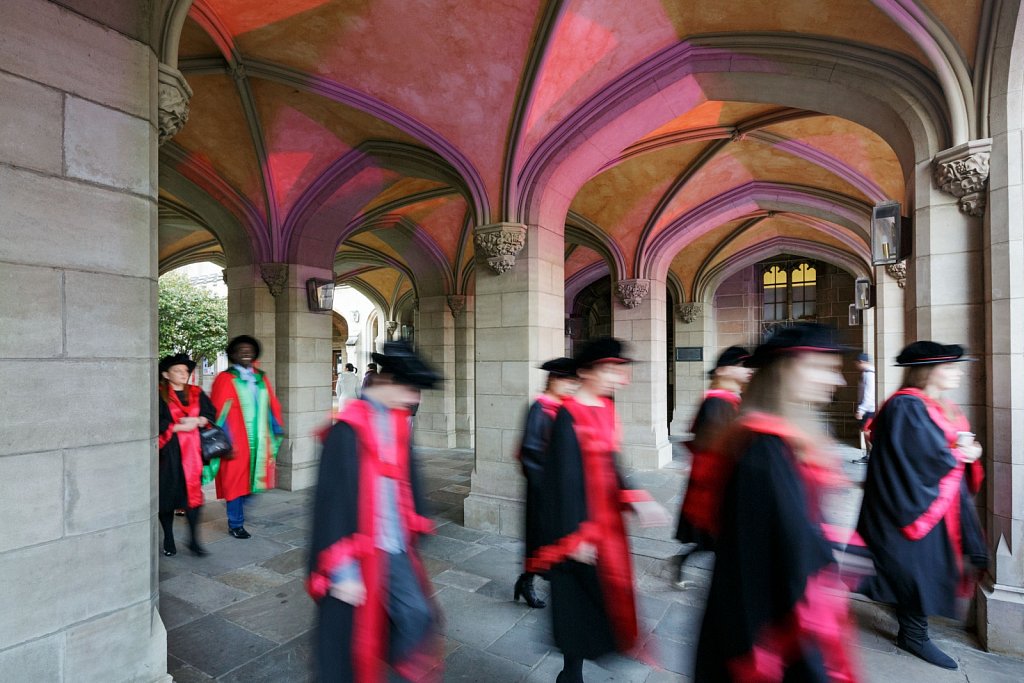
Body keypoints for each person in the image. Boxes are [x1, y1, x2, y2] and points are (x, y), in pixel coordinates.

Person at [695, 323, 859, 682]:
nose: (838, 381)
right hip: (767, 638)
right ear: (785, 370)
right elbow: (773, 563)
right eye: (821, 367)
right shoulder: (763, 451)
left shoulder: (782, 441)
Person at [528, 337, 671, 683]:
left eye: (618, 369)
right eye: (608, 369)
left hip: (606, 523)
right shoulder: (567, 415)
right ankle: (571, 674)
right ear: (586, 372)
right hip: (579, 528)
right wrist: (575, 537)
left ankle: (587, 661)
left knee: (602, 595)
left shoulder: (605, 408)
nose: (615, 377)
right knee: (578, 602)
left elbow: (610, 463)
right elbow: (561, 484)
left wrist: (636, 498)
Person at [307, 341, 443, 682]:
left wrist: (415, 523)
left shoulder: (396, 424)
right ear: (386, 383)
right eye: (411, 389)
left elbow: (406, 483)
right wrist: (342, 571)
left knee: (418, 615)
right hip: (357, 549)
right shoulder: (346, 431)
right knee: (348, 645)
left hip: (393, 545)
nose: (415, 399)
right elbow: (331, 504)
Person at [856, 341, 986, 670]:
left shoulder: (938, 405)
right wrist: (960, 454)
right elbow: (916, 456)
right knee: (916, 568)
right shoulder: (906, 406)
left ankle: (913, 629)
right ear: (929, 370)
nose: (957, 373)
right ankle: (914, 635)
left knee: (925, 566)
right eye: (950, 367)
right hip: (910, 503)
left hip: (934, 501)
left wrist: (967, 453)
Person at [672, 346, 751, 589]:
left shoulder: (728, 400)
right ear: (725, 371)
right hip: (714, 485)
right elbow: (714, 448)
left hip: (719, 484)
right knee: (717, 539)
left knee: (712, 540)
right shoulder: (717, 402)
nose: (748, 371)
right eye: (742, 366)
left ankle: (680, 562)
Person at [514, 356, 579, 609]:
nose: (571, 387)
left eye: (574, 382)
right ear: (553, 380)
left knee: (555, 539)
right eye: (567, 381)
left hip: (561, 489)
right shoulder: (540, 409)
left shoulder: (564, 408)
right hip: (543, 490)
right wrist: (547, 486)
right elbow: (530, 452)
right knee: (540, 539)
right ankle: (527, 581)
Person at [212, 335, 284, 539]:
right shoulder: (225, 378)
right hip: (235, 440)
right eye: (240, 349)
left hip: (260, 440)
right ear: (233, 354)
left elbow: (271, 404)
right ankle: (236, 523)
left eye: (249, 349)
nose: (245, 352)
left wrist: (276, 428)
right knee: (235, 483)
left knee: (255, 483)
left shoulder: (261, 377)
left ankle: (238, 510)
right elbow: (218, 412)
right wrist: (226, 441)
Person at [157, 353, 216, 557]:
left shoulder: (197, 392)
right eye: (177, 370)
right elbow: (154, 421)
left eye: (185, 370)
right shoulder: (159, 394)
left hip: (193, 453)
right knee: (166, 496)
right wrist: (175, 428)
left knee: (193, 496)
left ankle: (193, 540)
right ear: (166, 374)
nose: (184, 373)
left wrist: (198, 421)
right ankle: (169, 539)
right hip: (168, 454)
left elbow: (211, 414)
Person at [853, 352, 876, 464]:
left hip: (869, 409)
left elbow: (869, 394)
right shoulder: (866, 373)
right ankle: (869, 455)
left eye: (856, 363)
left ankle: (871, 456)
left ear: (861, 362)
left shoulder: (869, 374)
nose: (856, 366)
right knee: (866, 432)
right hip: (868, 408)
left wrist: (861, 410)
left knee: (867, 433)